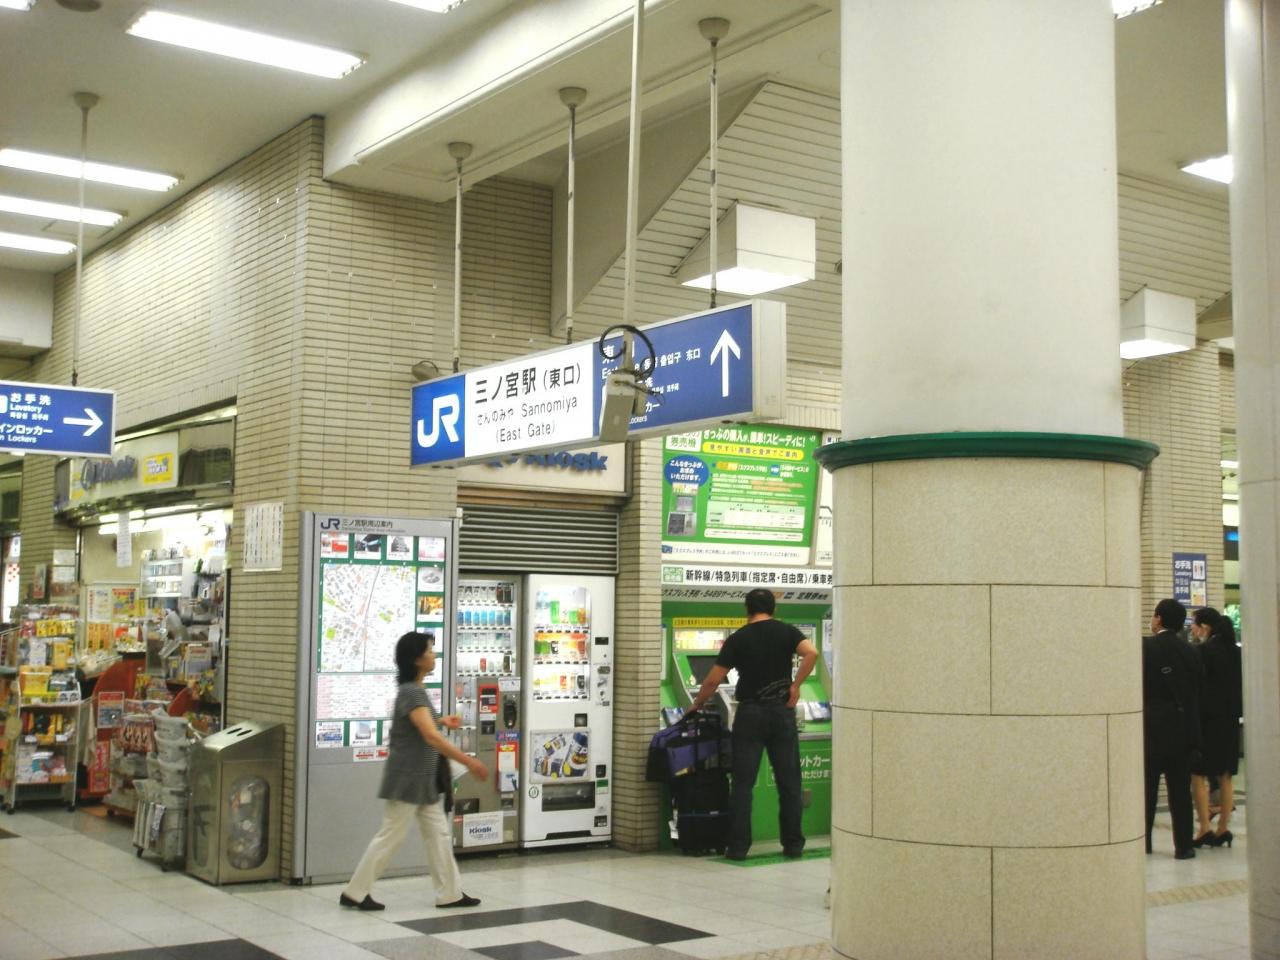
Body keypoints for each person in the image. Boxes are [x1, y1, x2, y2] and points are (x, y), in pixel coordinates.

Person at [341, 630, 489, 911]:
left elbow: (423, 725)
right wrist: (469, 761)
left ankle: (450, 893)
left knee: (438, 836)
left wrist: (442, 720)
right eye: (430, 651)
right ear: (418, 659)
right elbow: (430, 737)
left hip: (422, 780)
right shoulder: (412, 692)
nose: (434, 655)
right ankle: (355, 892)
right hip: (409, 779)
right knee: (391, 836)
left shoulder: (415, 690)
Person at [685, 588, 819, 861]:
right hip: (782, 712)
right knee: (790, 783)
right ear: (773, 609)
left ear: (747, 609)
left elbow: (713, 680)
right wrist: (795, 686)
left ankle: (738, 847)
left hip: (750, 714)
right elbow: (812, 653)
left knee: (742, 785)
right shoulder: (787, 632)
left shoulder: (738, 638)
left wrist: (697, 703)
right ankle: (793, 844)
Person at [1142, 599, 1204, 860]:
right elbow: (1197, 691)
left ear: (1158, 619)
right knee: (1180, 791)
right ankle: (1184, 846)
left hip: (1151, 728)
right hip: (1182, 729)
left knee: (1147, 790)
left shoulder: (1145, 647)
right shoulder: (1192, 651)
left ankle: (1144, 842)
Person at [1189, 608, 1243, 849]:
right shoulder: (1236, 652)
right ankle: (1223, 828)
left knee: (1198, 774)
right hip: (1230, 721)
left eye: (1194, 624)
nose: (1192, 629)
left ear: (1205, 627)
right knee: (1225, 776)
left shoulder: (1203, 651)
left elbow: (1197, 687)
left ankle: (1204, 828)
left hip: (1207, 721)